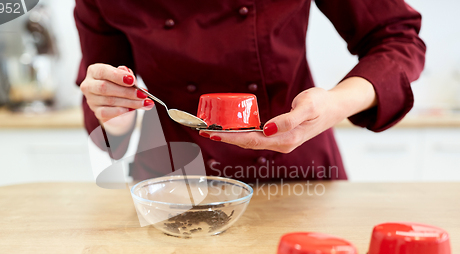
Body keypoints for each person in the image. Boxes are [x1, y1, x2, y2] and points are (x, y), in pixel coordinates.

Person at [75, 0, 425, 182]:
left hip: (294, 173)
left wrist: (335, 104)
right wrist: (113, 114)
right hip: (177, 182)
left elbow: (396, 39)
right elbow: (104, 103)